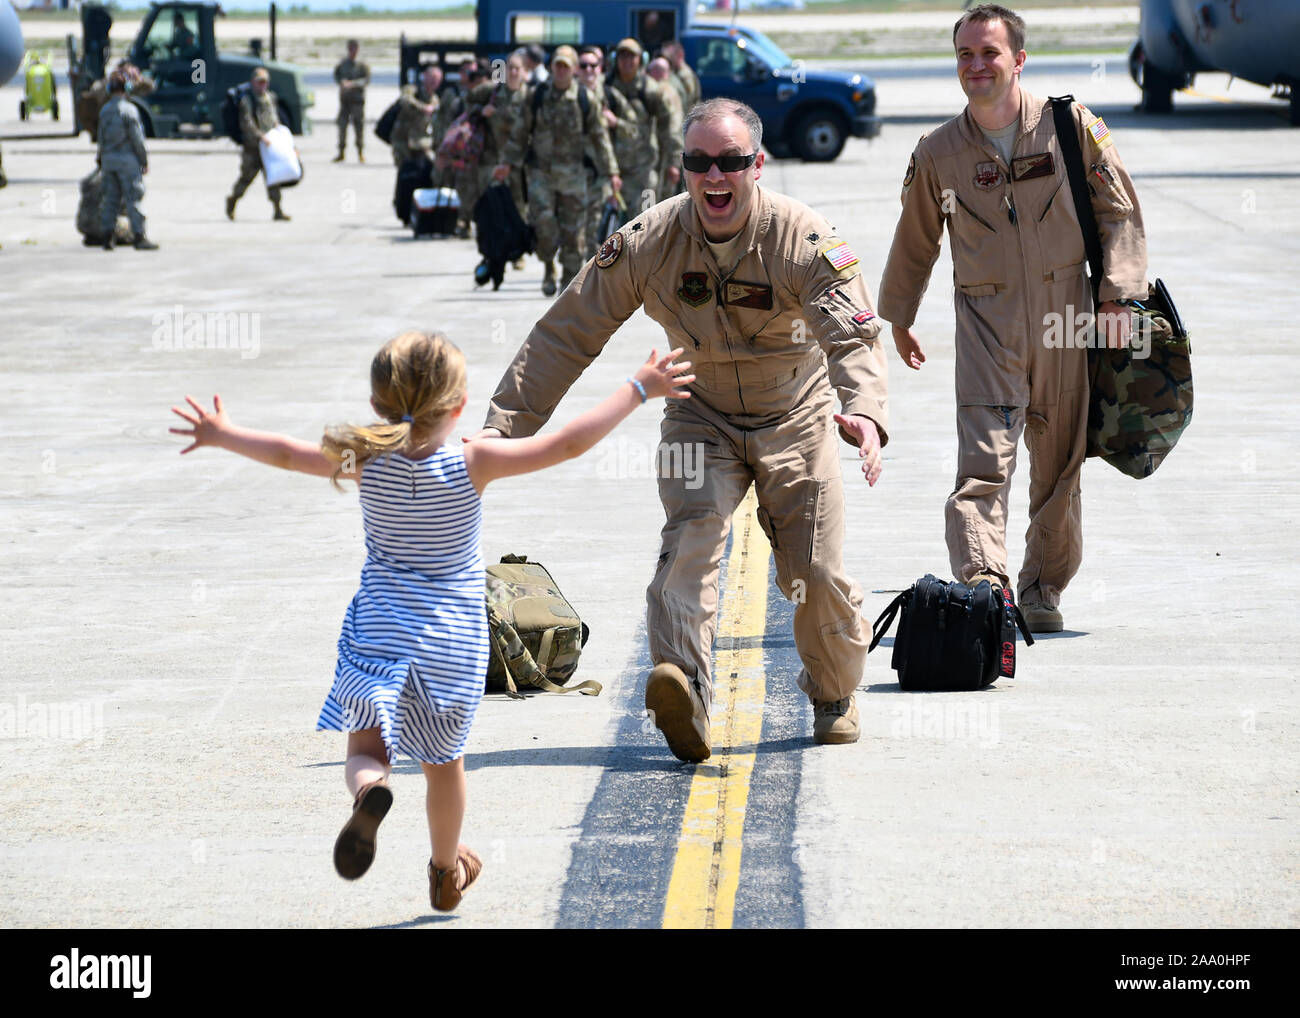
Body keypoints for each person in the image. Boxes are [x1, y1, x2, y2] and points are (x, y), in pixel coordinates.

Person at [168, 333, 693, 909]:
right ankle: (445, 870)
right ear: (459, 406)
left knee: (367, 749)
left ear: (376, 405)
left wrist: (222, 433)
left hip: (380, 629)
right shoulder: (474, 460)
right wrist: (637, 388)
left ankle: (371, 790)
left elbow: (288, 453)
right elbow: (566, 445)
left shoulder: (361, 458)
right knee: (444, 765)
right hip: (452, 640)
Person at [471, 99, 889, 759]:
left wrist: (863, 411)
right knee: (689, 546)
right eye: (699, 163)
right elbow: (567, 333)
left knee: (813, 574)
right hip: (699, 412)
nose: (713, 176)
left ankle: (836, 689)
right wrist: (500, 435)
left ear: (758, 163)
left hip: (798, 417)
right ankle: (685, 693)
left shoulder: (803, 239)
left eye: (729, 162)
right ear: (683, 166)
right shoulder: (650, 239)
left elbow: (853, 336)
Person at [877, 3, 1147, 632]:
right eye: (965, 55)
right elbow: (916, 238)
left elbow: (1118, 209)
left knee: (1059, 467)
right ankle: (987, 592)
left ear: (1018, 59)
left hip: (1067, 319)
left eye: (989, 53)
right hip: (986, 326)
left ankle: (1042, 590)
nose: (976, 66)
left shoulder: (1069, 126)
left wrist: (1115, 294)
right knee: (983, 466)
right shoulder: (939, 152)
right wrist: (901, 315)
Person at [493, 45, 621, 296]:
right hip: (542, 175)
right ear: (551, 68)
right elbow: (520, 132)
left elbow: (600, 138)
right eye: (557, 66)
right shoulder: (537, 96)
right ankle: (549, 265)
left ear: (573, 70)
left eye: (566, 66)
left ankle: (567, 283)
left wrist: (612, 172)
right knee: (544, 228)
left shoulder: (586, 99)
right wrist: (507, 162)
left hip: (574, 176)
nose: (561, 71)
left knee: (574, 234)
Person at [608, 37, 682, 215]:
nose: (627, 62)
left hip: (643, 171)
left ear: (641, 60)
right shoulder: (606, 88)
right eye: (622, 57)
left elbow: (669, 128)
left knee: (645, 226)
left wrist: (673, 162)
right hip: (610, 170)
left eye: (632, 57)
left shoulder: (651, 90)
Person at [577, 45, 638, 258]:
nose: (588, 71)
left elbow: (634, 130)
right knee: (572, 231)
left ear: (600, 68)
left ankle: (590, 281)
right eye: (583, 66)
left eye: (593, 66)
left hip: (602, 174)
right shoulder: (567, 95)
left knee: (596, 230)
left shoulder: (611, 95)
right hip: (571, 173)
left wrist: (615, 122)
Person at [96, 70, 157, 250]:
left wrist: (100, 159)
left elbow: (100, 138)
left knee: (110, 199)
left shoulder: (104, 111)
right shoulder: (129, 110)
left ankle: (107, 237)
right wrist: (144, 160)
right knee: (133, 199)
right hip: (127, 161)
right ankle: (139, 236)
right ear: (127, 89)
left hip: (108, 160)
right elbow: (137, 138)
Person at [467, 50, 531, 221]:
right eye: (510, 68)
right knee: (494, 205)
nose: (513, 72)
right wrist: (481, 111)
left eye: (518, 68)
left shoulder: (530, 96)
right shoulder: (492, 92)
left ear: (525, 71)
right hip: (493, 159)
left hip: (520, 163)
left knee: (519, 207)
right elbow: (467, 104)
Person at [226, 67, 291, 222]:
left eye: (264, 82)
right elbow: (247, 122)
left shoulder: (270, 98)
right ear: (253, 82)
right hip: (253, 147)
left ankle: (277, 210)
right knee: (246, 178)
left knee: (273, 178)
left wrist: (277, 132)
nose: (262, 86)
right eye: (259, 82)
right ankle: (233, 200)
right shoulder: (247, 100)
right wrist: (260, 136)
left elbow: (274, 117)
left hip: (269, 146)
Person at [646, 57, 684, 200]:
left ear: (655, 72)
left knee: (657, 204)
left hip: (663, 157)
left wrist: (673, 163)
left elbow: (673, 130)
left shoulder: (664, 93)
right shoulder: (672, 89)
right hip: (666, 155)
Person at [391, 64, 440, 169]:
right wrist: (422, 107)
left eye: (436, 80)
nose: (434, 82)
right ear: (425, 76)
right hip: (403, 141)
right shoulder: (412, 90)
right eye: (432, 78)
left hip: (421, 143)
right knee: (404, 173)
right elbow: (405, 100)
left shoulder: (434, 99)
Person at [333, 39, 370, 163]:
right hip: (345, 101)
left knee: (359, 127)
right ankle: (341, 152)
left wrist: (353, 84)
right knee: (342, 126)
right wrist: (342, 82)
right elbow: (336, 75)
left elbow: (366, 80)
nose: (353, 51)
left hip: (357, 102)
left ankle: (360, 152)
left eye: (354, 48)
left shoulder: (362, 65)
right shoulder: (343, 64)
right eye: (351, 48)